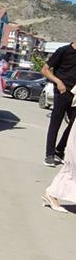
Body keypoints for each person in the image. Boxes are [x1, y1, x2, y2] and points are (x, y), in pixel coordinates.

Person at [42, 39, 76, 167]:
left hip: (75, 94)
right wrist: (58, 82)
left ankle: (59, 151)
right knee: (55, 123)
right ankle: (49, 155)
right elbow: (45, 70)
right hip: (62, 92)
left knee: (73, 125)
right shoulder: (63, 51)